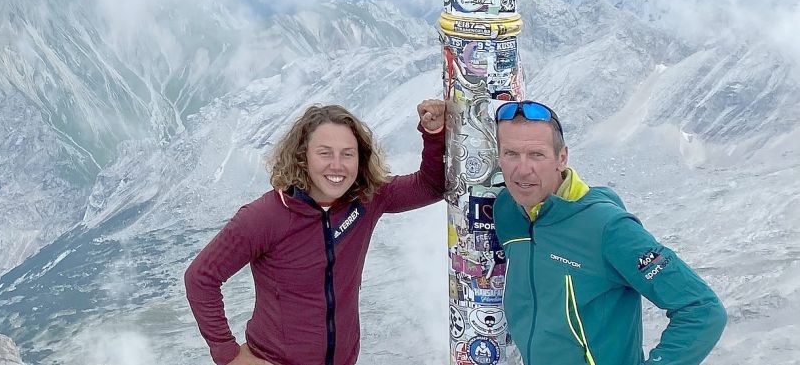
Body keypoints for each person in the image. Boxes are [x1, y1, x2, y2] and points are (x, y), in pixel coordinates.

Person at [185, 99, 447, 365]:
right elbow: (201, 278)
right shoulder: (265, 217)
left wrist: (435, 134)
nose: (337, 165)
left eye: (348, 153)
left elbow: (430, 187)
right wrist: (228, 355)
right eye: (325, 153)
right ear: (302, 156)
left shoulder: (367, 199)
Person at [492, 100, 727, 365]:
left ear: (561, 158)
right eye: (511, 154)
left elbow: (703, 310)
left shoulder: (608, 227)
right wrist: (436, 131)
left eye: (537, 155)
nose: (523, 169)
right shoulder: (507, 209)